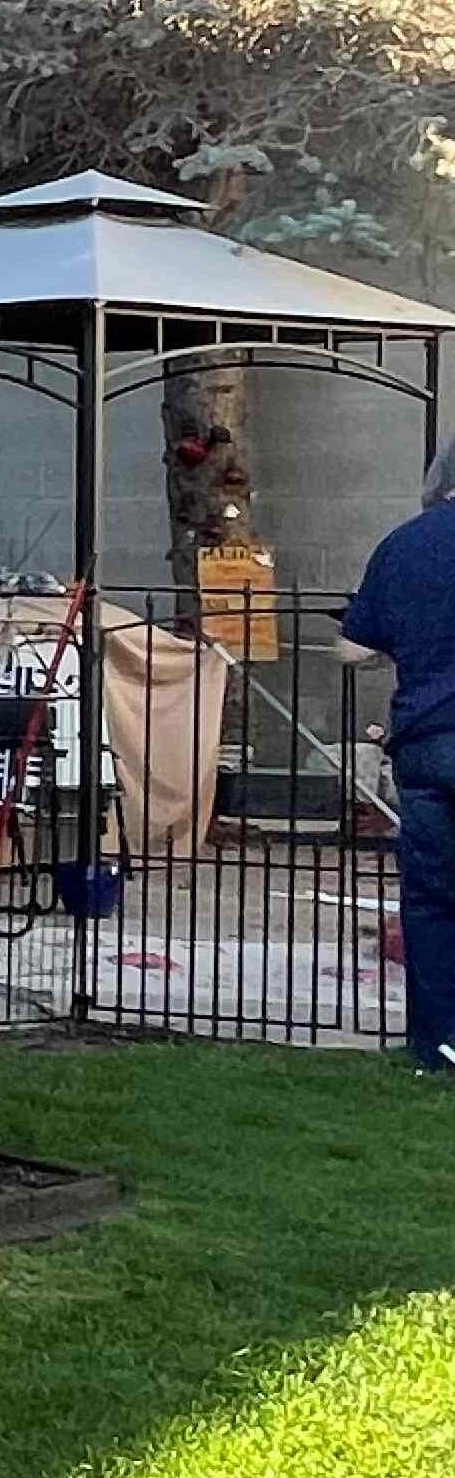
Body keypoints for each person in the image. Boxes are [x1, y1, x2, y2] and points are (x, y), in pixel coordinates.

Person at [340, 437, 455, 1073]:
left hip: (428, 741)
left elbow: (351, 650)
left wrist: (402, 650)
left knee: (432, 900)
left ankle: (438, 1047)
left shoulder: (404, 545)